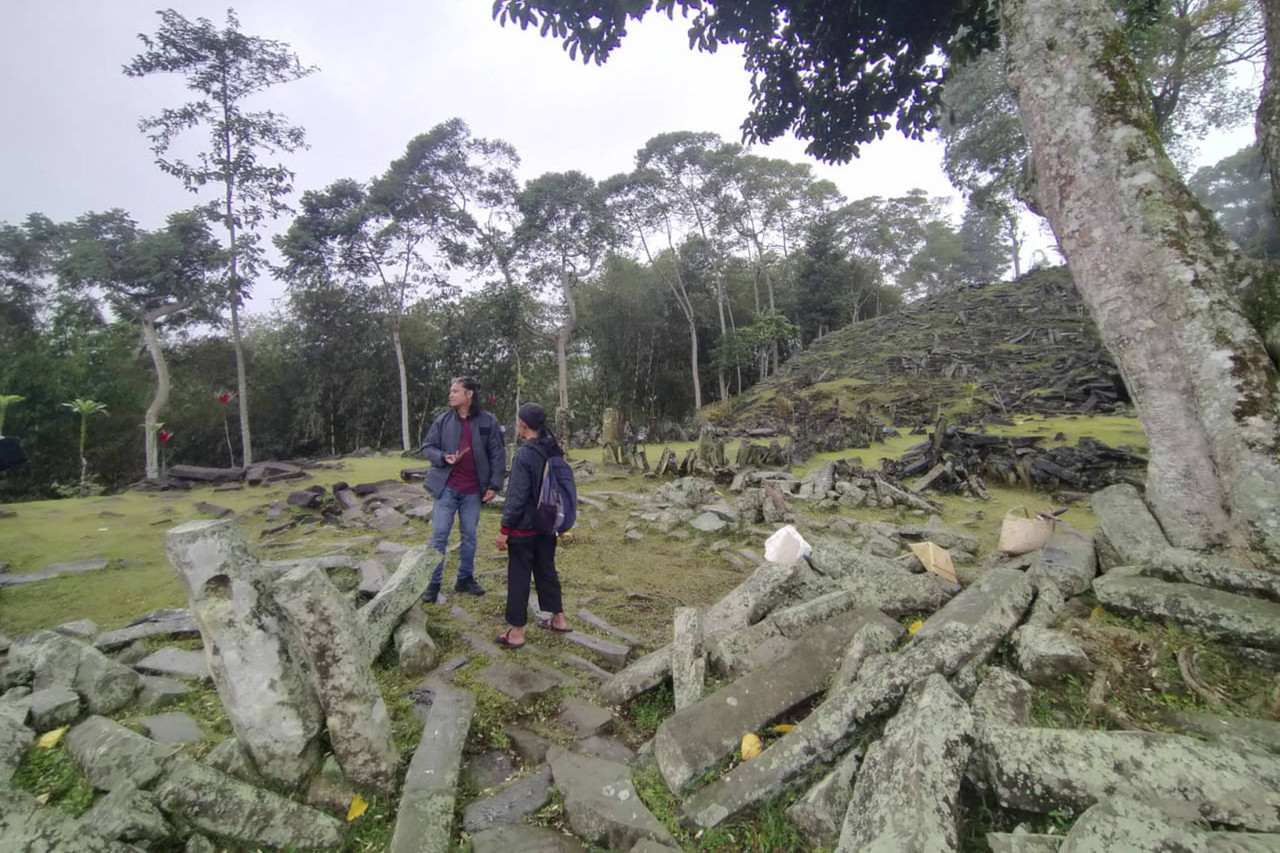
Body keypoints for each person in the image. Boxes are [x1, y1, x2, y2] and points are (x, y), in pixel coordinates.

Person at [420, 376, 506, 603]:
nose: (450, 395)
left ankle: (465, 578)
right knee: (439, 536)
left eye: (455, 391)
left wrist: (495, 485)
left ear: (469, 395)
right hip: (446, 488)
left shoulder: (488, 421)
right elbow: (427, 447)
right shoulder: (443, 421)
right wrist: (442, 457)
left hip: (473, 491)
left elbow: (498, 454)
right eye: (450, 391)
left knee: (469, 536)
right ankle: (433, 582)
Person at [494, 402, 570, 648]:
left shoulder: (524, 455)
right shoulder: (553, 450)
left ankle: (516, 633)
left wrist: (505, 530)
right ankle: (558, 618)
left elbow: (516, 496)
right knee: (547, 569)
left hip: (524, 528)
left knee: (519, 575)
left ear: (523, 425)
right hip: (547, 524)